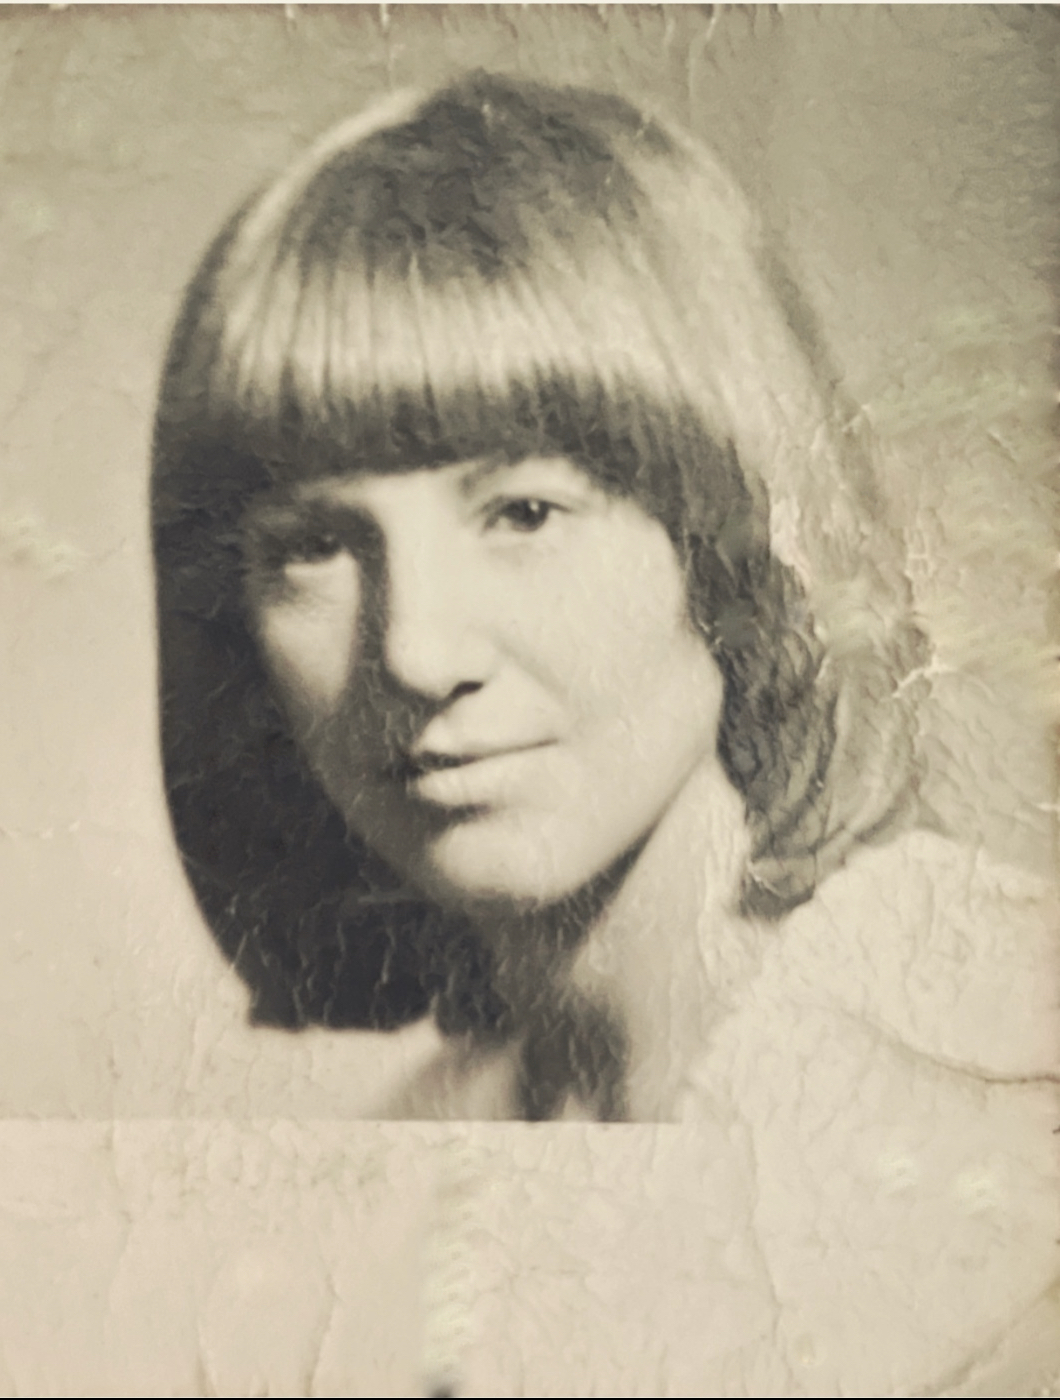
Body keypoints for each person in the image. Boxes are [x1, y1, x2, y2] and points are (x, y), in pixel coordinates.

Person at [151, 68, 1050, 1120]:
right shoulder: (421, 1138)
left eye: (524, 513)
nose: (416, 652)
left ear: (735, 539)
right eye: (313, 545)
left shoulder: (998, 1050)